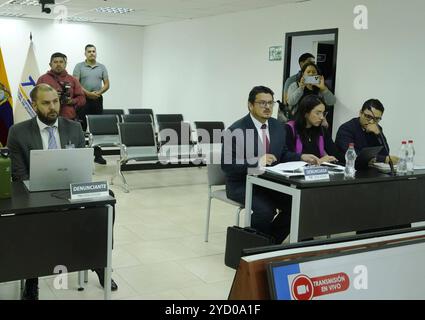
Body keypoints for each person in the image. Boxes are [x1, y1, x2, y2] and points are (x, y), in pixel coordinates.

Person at [7, 84, 117, 300]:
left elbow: (80, 168)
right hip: (34, 194)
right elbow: (19, 176)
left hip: (71, 189)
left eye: (55, 101)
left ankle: (99, 261)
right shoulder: (18, 132)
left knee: (107, 200)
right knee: (30, 218)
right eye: (46, 103)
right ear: (34, 104)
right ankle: (32, 277)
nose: (52, 107)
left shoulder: (73, 128)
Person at [221, 86, 319, 243]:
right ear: (250, 105)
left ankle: (269, 242)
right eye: (262, 103)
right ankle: (250, 245)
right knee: (265, 210)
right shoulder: (235, 130)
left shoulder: (277, 126)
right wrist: (257, 161)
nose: (267, 107)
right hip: (241, 183)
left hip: (270, 182)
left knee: (296, 204)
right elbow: (227, 166)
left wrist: (301, 157)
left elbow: (283, 154)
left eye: (270, 103)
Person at [73, 44, 110, 165]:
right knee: (81, 127)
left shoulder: (102, 67)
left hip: (97, 100)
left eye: (94, 51)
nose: (92, 53)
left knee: (96, 128)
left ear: (96, 53)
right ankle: (80, 155)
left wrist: (97, 93)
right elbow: (76, 84)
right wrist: (88, 94)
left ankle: (97, 156)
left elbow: (107, 84)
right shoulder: (79, 66)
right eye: (89, 51)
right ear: (85, 53)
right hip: (83, 99)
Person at [335, 98, 399, 165]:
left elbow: (385, 153)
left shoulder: (376, 128)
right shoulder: (346, 129)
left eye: (376, 119)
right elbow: (354, 155)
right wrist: (383, 159)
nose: (371, 122)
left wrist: (379, 135)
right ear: (360, 113)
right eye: (368, 116)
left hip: (368, 169)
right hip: (347, 169)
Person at [285, 95, 342, 163]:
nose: (322, 117)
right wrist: (320, 161)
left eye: (323, 113)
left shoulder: (322, 130)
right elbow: (287, 157)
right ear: (306, 113)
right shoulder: (289, 128)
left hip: (317, 171)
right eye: (317, 113)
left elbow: (335, 154)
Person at [37, 52, 86, 121]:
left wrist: (71, 101)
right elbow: (36, 98)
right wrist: (52, 96)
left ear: (65, 64)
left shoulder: (73, 80)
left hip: (68, 118)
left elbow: (82, 99)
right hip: (47, 117)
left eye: (61, 62)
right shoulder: (42, 79)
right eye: (55, 62)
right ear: (50, 64)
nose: (58, 64)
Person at [279, 53, 315, 122]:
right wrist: (300, 88)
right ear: (301, 64)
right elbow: (286, 101)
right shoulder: (291, 80)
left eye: (314, 63)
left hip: (313, 118)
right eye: (310, 62)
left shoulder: (316, 80)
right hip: (296, 117)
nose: (313, 65)